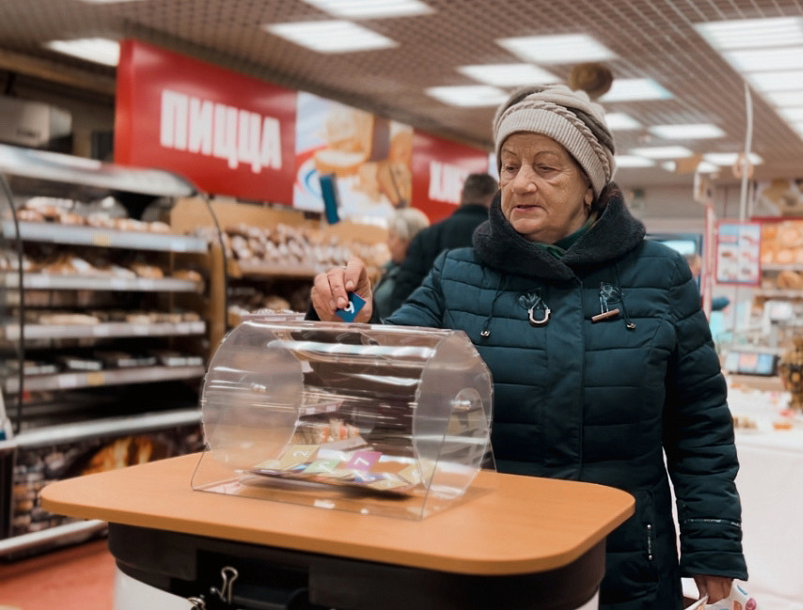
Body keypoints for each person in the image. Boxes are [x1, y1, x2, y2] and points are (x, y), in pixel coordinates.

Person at [311, 83, 747, 609]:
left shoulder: (660, 275)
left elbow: (698, 422)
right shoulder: (457, 274)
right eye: (510, 166)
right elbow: (392, 372)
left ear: (590, 186)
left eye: (546, 167)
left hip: (624, 561)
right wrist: (353, 319)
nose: (521, 183)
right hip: (485, 552)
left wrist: (712, 544)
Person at [387, 173, 497, 312]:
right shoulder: (499, 238)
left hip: (429, 320)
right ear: (495, 199)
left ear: (461, 195)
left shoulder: (428, 235)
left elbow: (404, 291)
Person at [370, 206, 430, 321]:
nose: (387, 242)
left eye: (392, 236)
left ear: (408, 240)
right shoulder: (391, 269)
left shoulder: (418, 278)